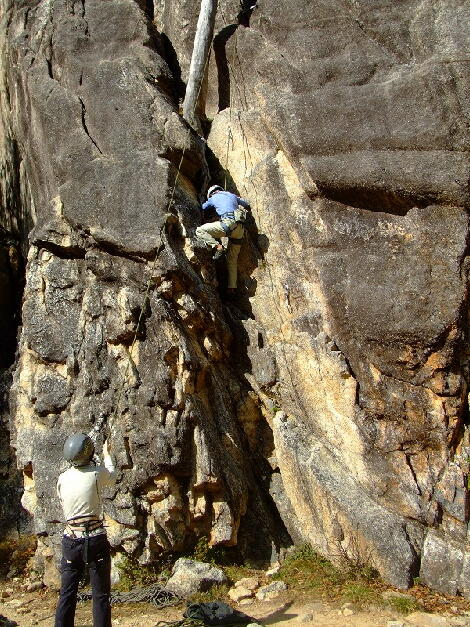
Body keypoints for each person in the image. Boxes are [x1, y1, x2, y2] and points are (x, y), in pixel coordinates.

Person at [55, 433, 117, 627]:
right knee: (100, 595)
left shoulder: (63, 478)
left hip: (71, 539)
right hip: (95, 538)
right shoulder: (97, 473)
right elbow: (112, 476)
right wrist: (107, 454)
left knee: (67, 593)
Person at [196, 185, 250, 294]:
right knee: (232, 260)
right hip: (240, 230)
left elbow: (202, 207)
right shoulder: (232, 195)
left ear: (211, 193)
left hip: (227, 224)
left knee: (200, 231)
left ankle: (217, 246)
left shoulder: (213, 198)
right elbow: (246, 204)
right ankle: (232, 288)